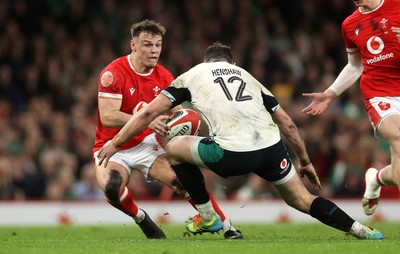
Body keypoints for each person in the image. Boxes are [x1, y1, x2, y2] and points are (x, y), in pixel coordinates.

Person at [97, 42, 384, 240]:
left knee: (173, 149)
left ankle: (208, 216)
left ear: (207, 61)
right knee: (303, 199)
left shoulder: (194, 74)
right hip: (271, 148)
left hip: (232, 153)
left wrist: (117, 141)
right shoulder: (249, 76)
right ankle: (360, 229)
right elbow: (287, 122)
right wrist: (305, 161)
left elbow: (148, 112)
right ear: (231, 62)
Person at [93, 20, 242, 239]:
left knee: (185, 182)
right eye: (147, 45)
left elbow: (179, 114)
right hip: (114, 147)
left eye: (157, 45)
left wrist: (182, 125)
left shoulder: (164, 76)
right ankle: (141, 219)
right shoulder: (113, 73)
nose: (154, 50)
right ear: (133, 46)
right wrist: (146, 120)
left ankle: (227, 227)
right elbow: (108, 116)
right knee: (113, 189)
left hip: (149, 146)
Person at [302, 0, 400, 216]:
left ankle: (377, 178)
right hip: (379, 94)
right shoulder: (350, 23)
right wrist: (330, 94)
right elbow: (355, 65)